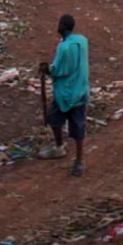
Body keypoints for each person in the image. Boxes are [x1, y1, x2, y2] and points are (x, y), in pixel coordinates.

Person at [38, 14, 90, 176]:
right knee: (77, 125)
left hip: (66, 92)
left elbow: (60, 69)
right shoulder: (82, 40)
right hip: (81, 89)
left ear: (63, 27)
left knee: (55, 118)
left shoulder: (64, 47)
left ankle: (61, 147)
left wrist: (47, 70)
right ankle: (78, 160)